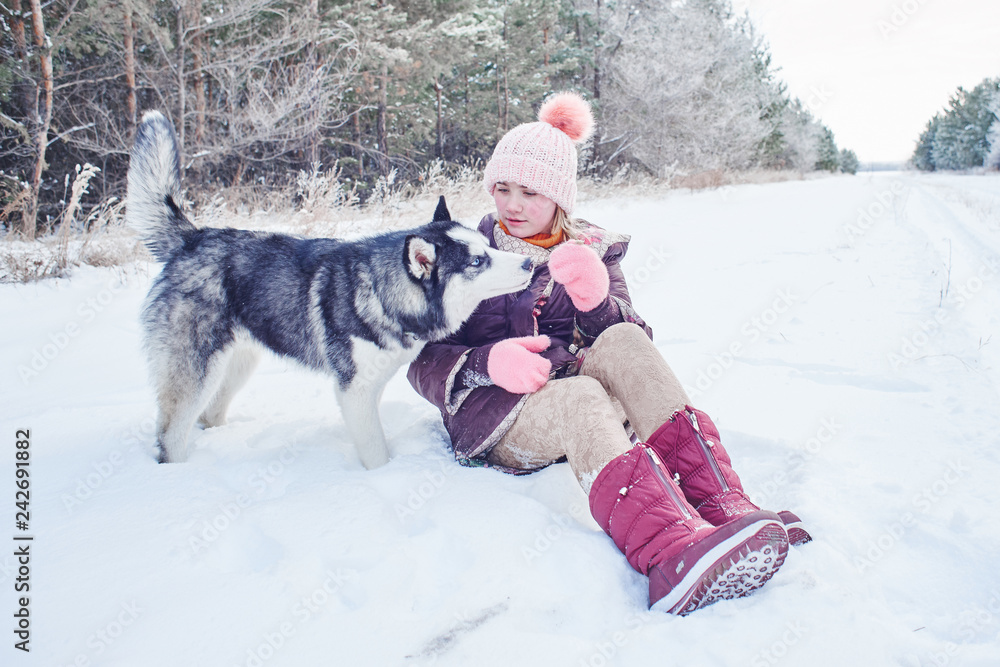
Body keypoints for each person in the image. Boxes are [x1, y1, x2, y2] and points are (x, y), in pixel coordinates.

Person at [407, 92, 810, 615]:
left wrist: (596, 303)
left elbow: (636, 346)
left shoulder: (593, 250)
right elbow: (419, 359)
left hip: (591, 406)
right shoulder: (464, 252)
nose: (512, 205)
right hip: (500, 417)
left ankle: (723, 507)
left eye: (530, 192)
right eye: (502, 189)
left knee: (624, 340)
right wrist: (488, 364)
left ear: (559, 198)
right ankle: (669, 554)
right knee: (580, 397)